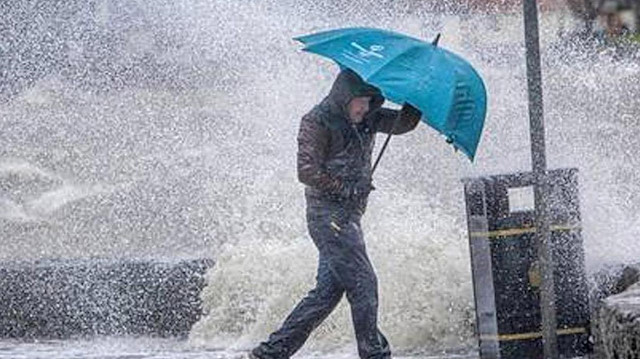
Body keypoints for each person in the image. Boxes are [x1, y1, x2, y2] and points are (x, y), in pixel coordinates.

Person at [250, 69, 421, 359]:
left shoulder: (368, 118)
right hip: (327, 217)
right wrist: (346, 189)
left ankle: (270, 353)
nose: (364, 108)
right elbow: (306, 171)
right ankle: (374, 354)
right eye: (360, 101)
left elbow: (403, 123)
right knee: (364, 283)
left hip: (349, 218)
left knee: (326, 294)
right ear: (345, 97)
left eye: (370, 102)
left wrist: (416, 95)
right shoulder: (316, 121)